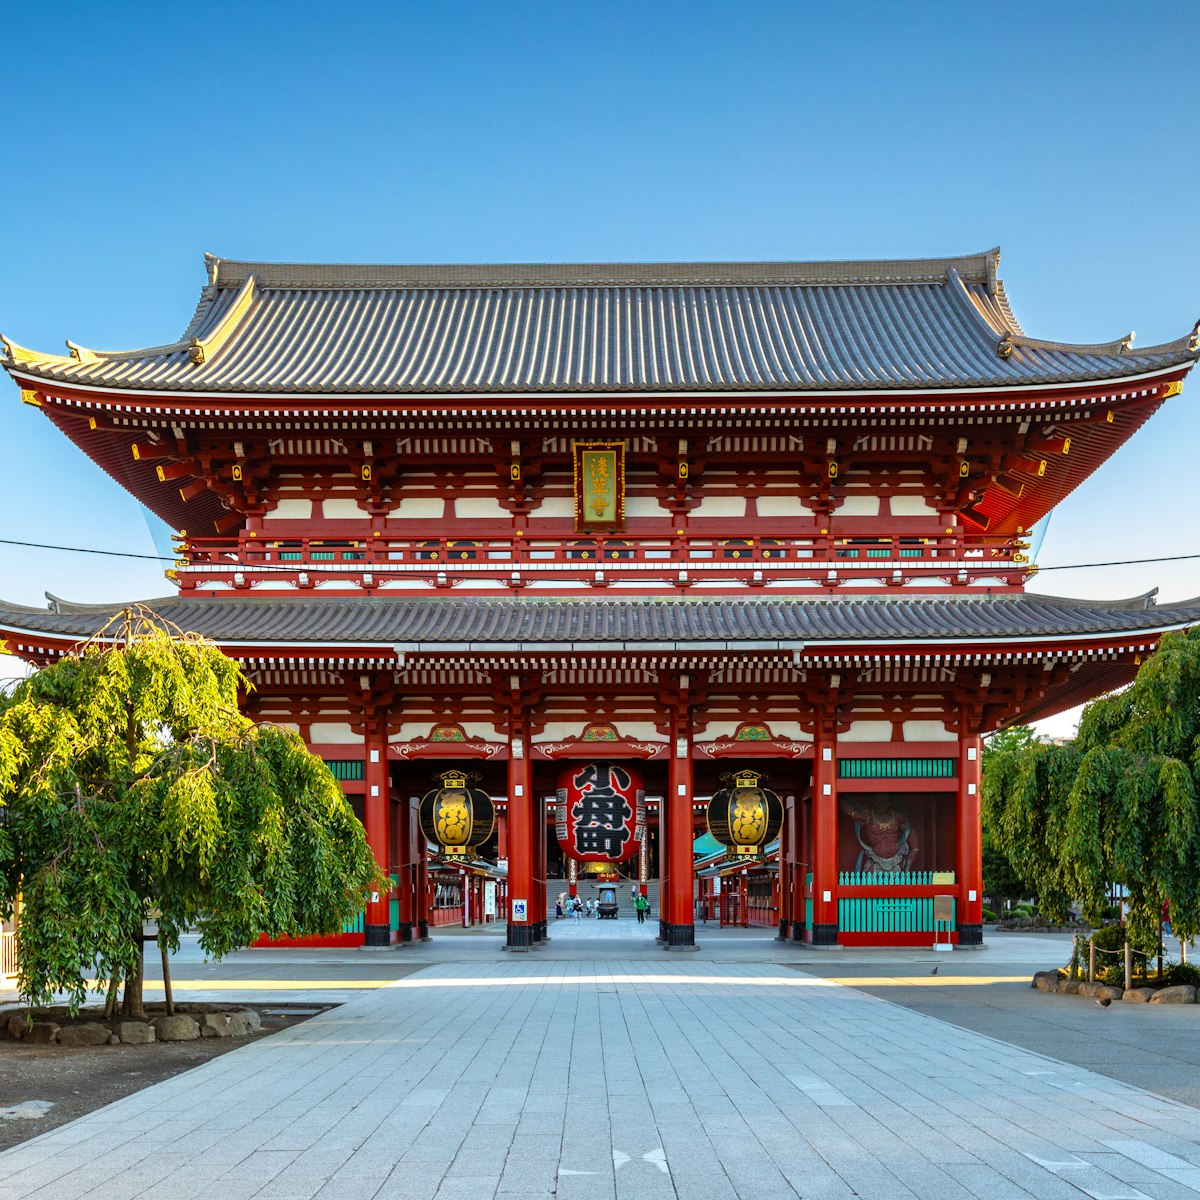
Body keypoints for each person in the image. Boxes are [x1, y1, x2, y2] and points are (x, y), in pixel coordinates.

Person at [839, 795, 918, 874]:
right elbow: (843, 801)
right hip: (875, 859)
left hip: (896, 859)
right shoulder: (868, 815)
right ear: (874, 802)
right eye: (879, 802)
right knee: (868, 884)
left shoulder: (897, 816)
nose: (882, 806)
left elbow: (909, 831)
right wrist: (855, 815)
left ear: (889, 802)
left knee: (899, 885)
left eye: (884, 802)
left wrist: (914, 850)